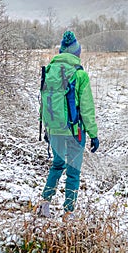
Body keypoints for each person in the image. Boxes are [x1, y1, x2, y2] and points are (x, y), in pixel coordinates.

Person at [38, 31, 99, 220]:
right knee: (73, 171)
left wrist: (47, 127)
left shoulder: (50, 71)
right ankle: (68, 213)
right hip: (74, 130)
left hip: (54, 127)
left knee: (57, 165)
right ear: (76, 53)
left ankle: (44, 205)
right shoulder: (80, 75)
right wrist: (94, 134)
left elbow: (43, 101)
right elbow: (87, 109)